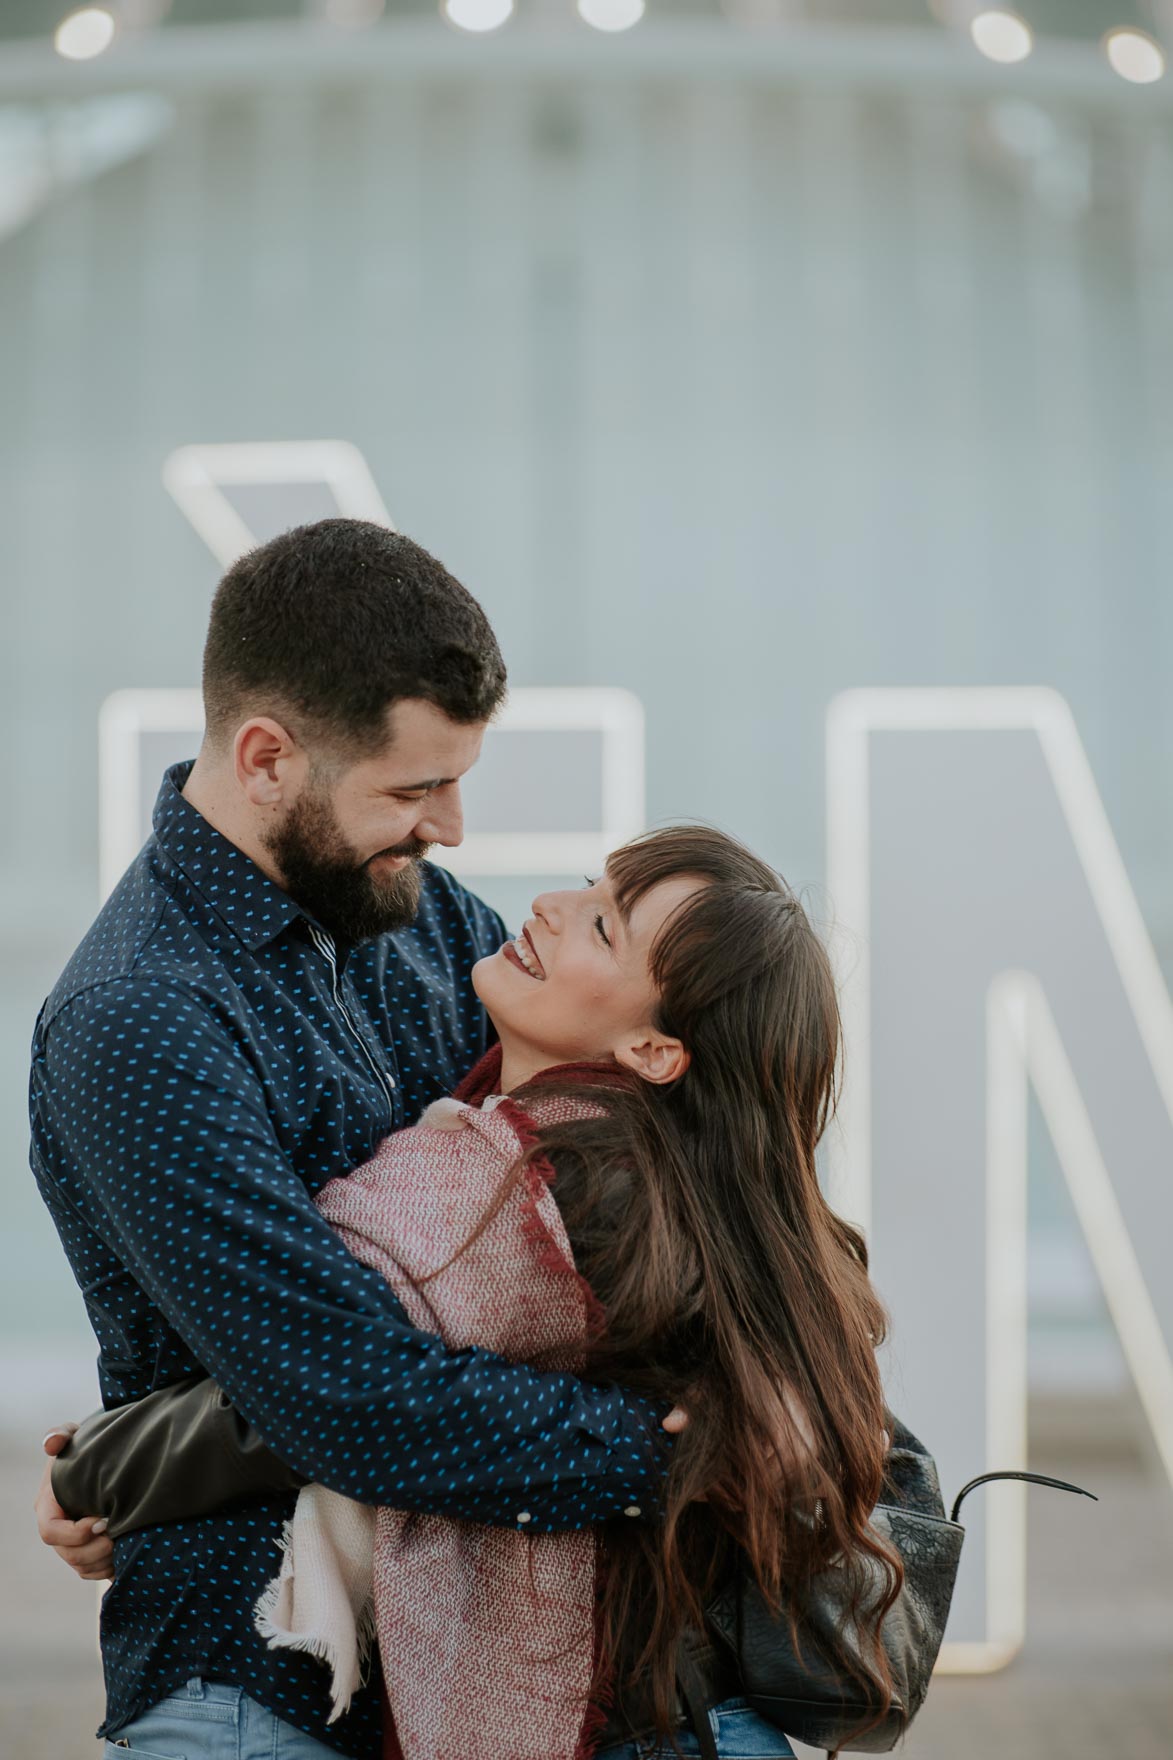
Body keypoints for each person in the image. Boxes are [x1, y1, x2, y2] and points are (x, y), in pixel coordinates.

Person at [29, 518, 684, 1760]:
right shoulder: (139, 1016)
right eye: (412, 787)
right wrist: (674, 1450)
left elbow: (605, 1211)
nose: (449, 824)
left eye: (455, 777)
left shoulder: (432, 923)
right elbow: (345, 1390)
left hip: (461, 1654)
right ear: (267, 756)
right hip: (249, 1682)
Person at [52, 827, 899, 1760]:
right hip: (692, 1714)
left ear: (655, 1049)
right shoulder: (707, 1187)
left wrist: (100, 1471)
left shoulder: (525, 1190)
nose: (549, 907)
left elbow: (327, 1386)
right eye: (587, 888)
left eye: (603, 929)